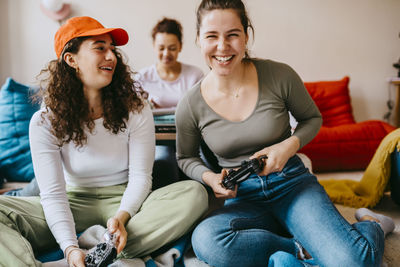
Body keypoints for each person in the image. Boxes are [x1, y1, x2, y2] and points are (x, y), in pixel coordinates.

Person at [175, 1, 394, 267]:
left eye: (233, 34)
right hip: (243, 197)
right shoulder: (189, 104)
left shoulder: (279, 75)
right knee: (207, 242)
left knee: (353, 261)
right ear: (198, 39)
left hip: (292, 185)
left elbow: (312, 118)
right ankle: (301, 248)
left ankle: (372, 224)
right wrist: (209, 177)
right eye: (212, 36)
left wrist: (287, 147)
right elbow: (185, 157)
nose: (222, 46)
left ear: (246, 36)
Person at [0, 16, 208, 267]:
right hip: (70, 201)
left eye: (113, 49)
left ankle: (103, 249)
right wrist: (69, 248)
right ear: (71, 59)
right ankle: (82, 253)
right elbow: (54, 195)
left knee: (194, 193)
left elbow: (141, 177)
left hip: (125, 204)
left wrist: (121, 217)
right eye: (100, 48)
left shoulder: (136, 107)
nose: (111, 56)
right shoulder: (45, 120)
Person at [138, 18, 204, 189]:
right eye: (161, 48)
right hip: (159, 140)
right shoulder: (142, 78)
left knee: (204, 170)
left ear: (180, 47)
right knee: (165, 165)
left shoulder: (195, 75)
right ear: (154, 46)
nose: (166, 53)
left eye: (172, 48)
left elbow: (202, 109)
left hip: (192, 138)